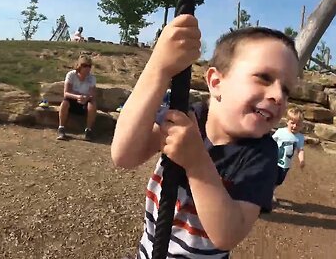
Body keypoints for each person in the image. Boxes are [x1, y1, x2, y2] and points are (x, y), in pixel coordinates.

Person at [111, 14, 299, 258]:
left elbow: (228, 234)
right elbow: (124, 155)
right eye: (264, 78)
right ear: (216, 82)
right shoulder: (189, 118)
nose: (278, 95)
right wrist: (158, 68)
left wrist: (197, 162)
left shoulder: (262, 154)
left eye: (286, 90)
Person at [57, 55, 97, 141]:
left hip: (85, 101)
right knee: (64, 103)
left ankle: (88, 130)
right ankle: (61, 128)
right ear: (79, 66)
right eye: (85, 66)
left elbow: (92, 94)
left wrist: (86, 98)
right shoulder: (71, 75)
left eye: (89, 66)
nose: (87, 68)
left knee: (92, 105)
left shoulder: (91, 78)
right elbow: (66, 93)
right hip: (73, 99)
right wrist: (77, 96)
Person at [272, 106, 305, 202]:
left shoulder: (300, 137)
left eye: (298, 124)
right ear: (287, 122)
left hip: (285, 164)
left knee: (279, 180)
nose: (295, 126)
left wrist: (302, 160)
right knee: (269, 177)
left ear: (302, 125)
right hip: (274, 160)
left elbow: (300, 150)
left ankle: (271, 191)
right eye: (292, 123)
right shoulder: (280, 132)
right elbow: (271, 142)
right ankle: (266, 193)